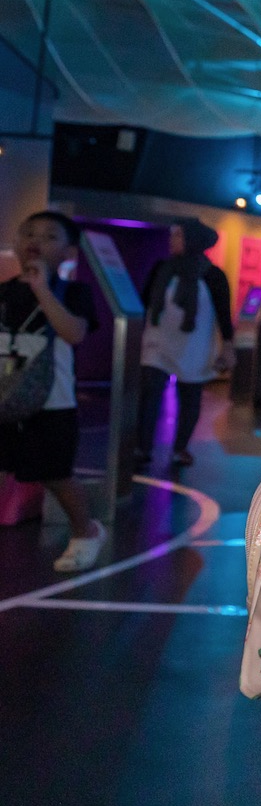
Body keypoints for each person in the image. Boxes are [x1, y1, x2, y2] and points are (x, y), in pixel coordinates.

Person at [0, 210, 107, 570]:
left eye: (49, 236)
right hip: (4, 400)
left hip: (52, 403)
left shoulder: (73, 292)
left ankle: (86, 532)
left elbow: (73, 333)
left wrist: (42, 289)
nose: (36, 241)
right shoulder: (3, 292)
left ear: (69, 252)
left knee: (55, 475)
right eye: (29, 233)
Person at [136, 218, 234, 468]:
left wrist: (228, 346)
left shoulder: (213, 275)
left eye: (178, 235)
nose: (172, 240)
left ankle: (180, 448)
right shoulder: (162, 269)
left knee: (190, 398)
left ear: (193, 239)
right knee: (150, 394)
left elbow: (224, 314)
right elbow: (146, 303)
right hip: (158, 343)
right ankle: (142, 447)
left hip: (195, 345)